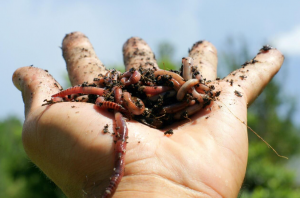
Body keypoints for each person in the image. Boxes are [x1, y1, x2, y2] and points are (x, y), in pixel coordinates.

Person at [12, 32, 284, 198]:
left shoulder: (189, 94)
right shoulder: (122, 97)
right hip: (132, 102)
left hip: (161, 103)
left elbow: (182, 94)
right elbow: (122, 98)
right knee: (116, 101)